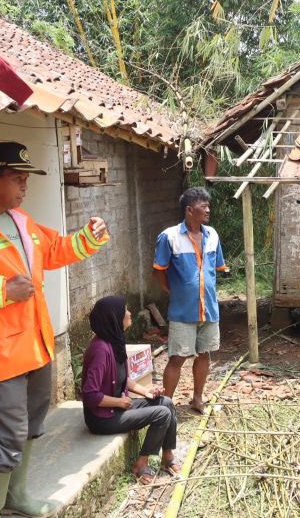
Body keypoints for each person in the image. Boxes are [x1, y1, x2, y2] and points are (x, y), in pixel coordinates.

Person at [0, 142, 109, 518]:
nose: (25, 186)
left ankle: (17, 495)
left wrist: (89, 237)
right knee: (6, 437)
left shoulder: (21, 221)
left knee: (31, 425)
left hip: (35, 345)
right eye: (17, 178)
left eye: (27, 178)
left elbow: (55, 250)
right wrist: (1, 290)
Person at [81, 296, 180, 484]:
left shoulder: (114, 342)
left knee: (166, 402)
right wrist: (119, 402)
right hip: (103, 418)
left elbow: (122, 379)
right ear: (115, 318)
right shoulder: (100, 350)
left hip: (117, 407)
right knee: (161, 414)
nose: (129, 313)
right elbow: (90, 394)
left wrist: (146, 392)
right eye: (125, 310)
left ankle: (167, 455)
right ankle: (141, 464)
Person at [153, 187, 228, 413]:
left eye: (208, 205)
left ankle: (197, 398)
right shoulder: (169, 237)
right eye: (203, 206)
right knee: (177, 357)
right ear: (189, 210)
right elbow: (158, 271)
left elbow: (216, 268)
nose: (208, 209)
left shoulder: (212, 235)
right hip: (182, 311)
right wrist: (173, 292)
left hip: (209, 309)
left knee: (204, 354)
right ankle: (165, 406)